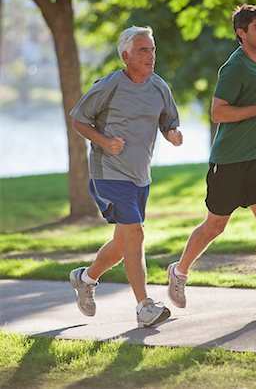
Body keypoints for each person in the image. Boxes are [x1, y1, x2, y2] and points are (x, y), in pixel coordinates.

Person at [167, 4, 256, 317]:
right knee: (215, 226)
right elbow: (219, 112)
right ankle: (180, 271)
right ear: (242, 33)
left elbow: (255, 108)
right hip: (229, 162)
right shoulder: (234, 67)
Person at [69, 26, 183, 328]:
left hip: (140, 177)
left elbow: (169, 120)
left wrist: (172, 133)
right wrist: (105, 142)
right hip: (109, 173)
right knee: (135, 235)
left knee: (123, 244)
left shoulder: (159, 87)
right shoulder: (109, 86)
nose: (151, 56)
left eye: (153, 49)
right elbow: (79, 119)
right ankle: (144, 306)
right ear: (126, 56)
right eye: (143, 50)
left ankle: (86, 277)